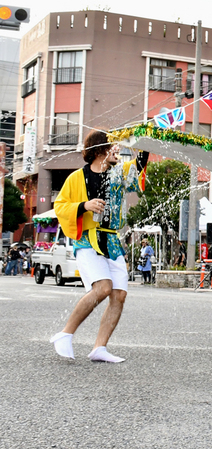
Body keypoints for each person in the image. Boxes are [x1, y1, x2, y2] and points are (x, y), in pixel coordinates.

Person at [50, 131, 148, 363]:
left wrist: (146, 142)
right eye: (113, 147)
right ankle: (65, 334)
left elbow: (139, 165)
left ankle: (99, 348)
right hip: (87, 240)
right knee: (103, 288)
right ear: (100, 150)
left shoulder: (118, 173)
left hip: (112, 241)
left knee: (119, 294)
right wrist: (85, 205)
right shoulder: (77, 177)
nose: (118, 151)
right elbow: (60, 206)